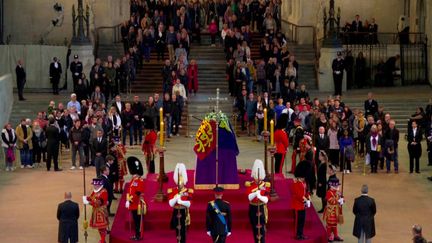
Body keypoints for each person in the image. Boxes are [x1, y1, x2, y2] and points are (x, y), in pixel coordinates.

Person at [246, 159, 270, 243]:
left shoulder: (265, 185)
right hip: (253, 208)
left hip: (262, 208)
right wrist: (255, 194)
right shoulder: (250, 184)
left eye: (258, 176)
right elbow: (249, 197)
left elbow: (266, 199)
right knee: (254, 229)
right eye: (256, 176)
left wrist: (260, 196)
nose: (257, 178)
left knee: (262, 229)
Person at [168, 163, 193, 243]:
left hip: (183, 211)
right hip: (176, 211)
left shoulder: (188, 191)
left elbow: (189, 203)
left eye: (181, 183)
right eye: (179, 183)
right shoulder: (172, 190)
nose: (180, 184)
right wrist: (176, 198)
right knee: (177, 229)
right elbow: (171, 204)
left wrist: (181, 201)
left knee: (183, 230)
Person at [125, 157, 146, 241]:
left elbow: (138, 193)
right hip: (133, 203)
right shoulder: (133, 180)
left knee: (138, 221)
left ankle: (138, 235)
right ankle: (136, 234)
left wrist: (129, 200)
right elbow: (130, 190)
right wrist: (127, 200)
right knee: (135, 221)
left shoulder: (140, 181)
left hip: (137, 204)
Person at [82, 178, 109, 243]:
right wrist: (87, 198)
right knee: (99, 227)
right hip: (96, 212)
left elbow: (98, 203)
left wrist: (88, 202)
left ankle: (102, 240)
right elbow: (92, 198)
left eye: (95, 185)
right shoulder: (95, 191)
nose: (94, 186)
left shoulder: (104, 192)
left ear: (99, 185)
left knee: (102, 227)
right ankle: (102, 239)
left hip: (101, 212)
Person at [292, 161, 311, 240]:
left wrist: (308, 197)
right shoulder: (296, 183)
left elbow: (306, 192)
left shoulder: (304, 182)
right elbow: (299, 195)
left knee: (302, 221)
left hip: (302, 205)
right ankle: (297, 234)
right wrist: (305, 200)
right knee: (298, 222)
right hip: (298, 205)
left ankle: (301, 233)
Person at [323, 177, 344, 242]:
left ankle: (335, 235)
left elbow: (342, 199)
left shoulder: (338, 192)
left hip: (336, 210)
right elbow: (331, 201)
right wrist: (338, 199)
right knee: (330, 224)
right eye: (336, 185)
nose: (337, 186)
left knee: (335, 224)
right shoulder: (329, 192)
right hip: (330, 211)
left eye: (337, 185)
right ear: (331, 185)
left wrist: (342, 199)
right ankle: (329, 235)